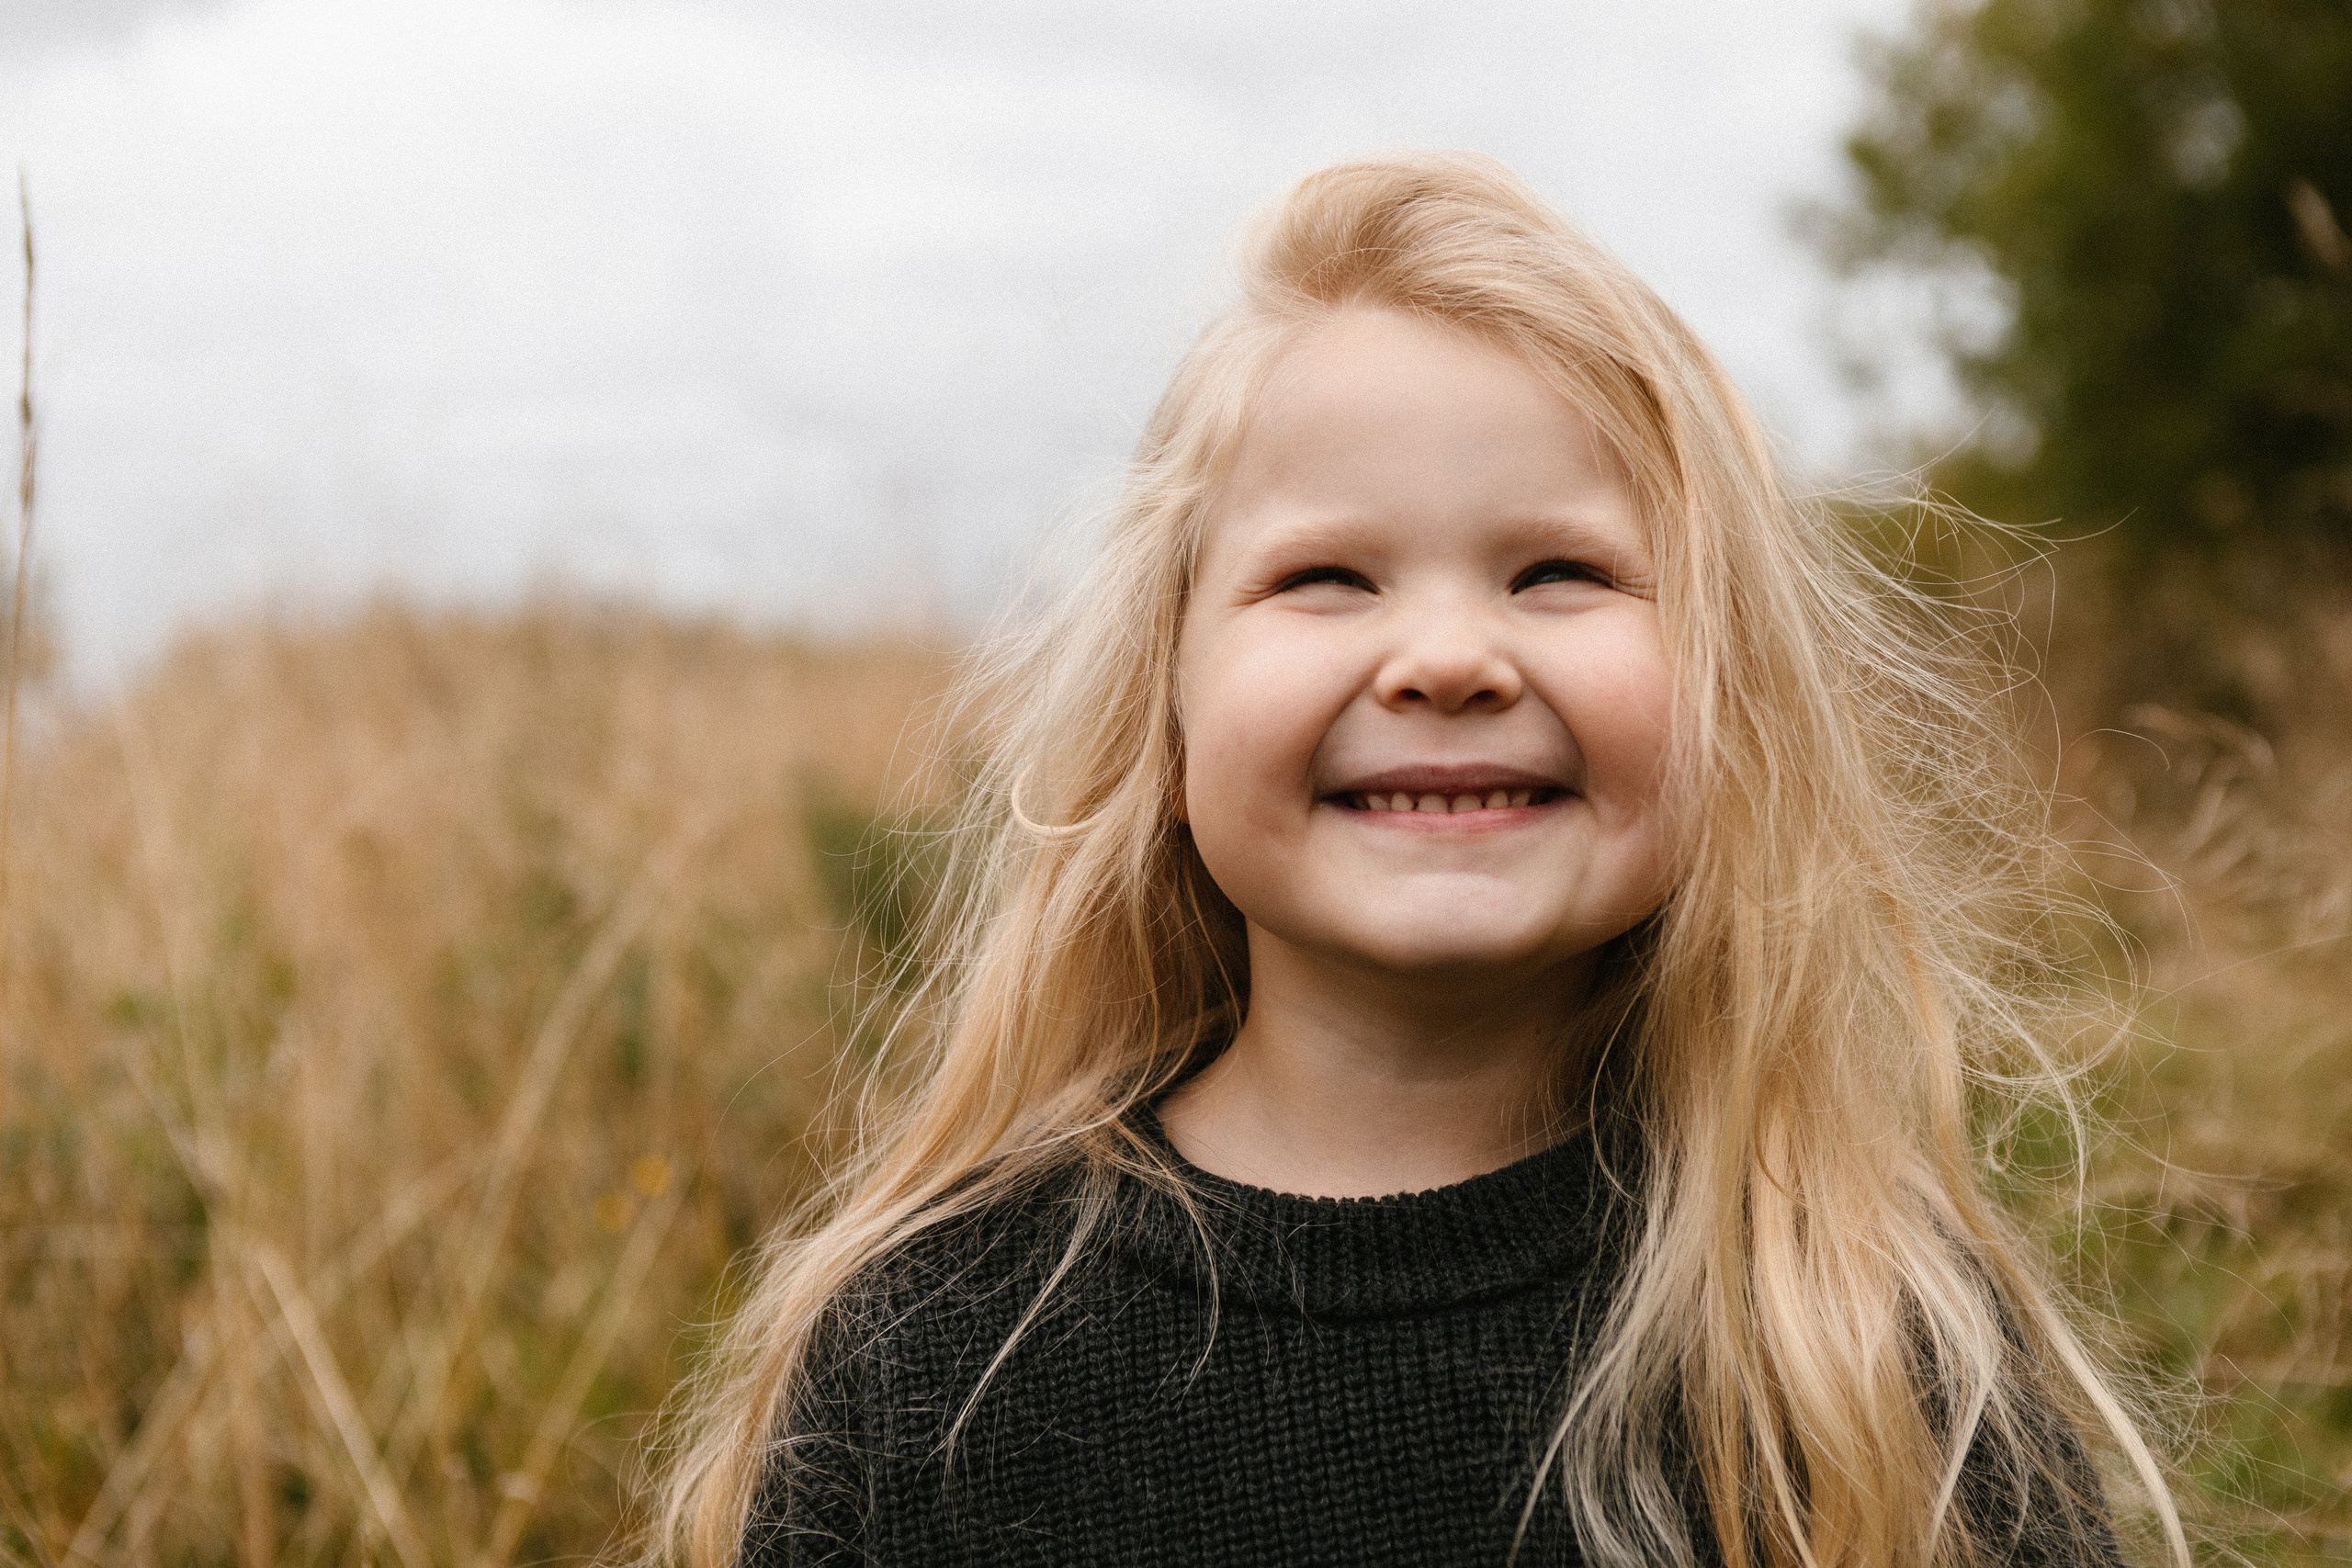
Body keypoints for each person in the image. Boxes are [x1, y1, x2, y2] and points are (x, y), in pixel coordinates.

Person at [649, 152, 2182, 1567]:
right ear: (1161, 716)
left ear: (1733, 702)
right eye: (1325, 576)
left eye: (1563, 572)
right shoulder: (938, 1348)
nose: (1449, 659)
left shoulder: (1856, 1343)